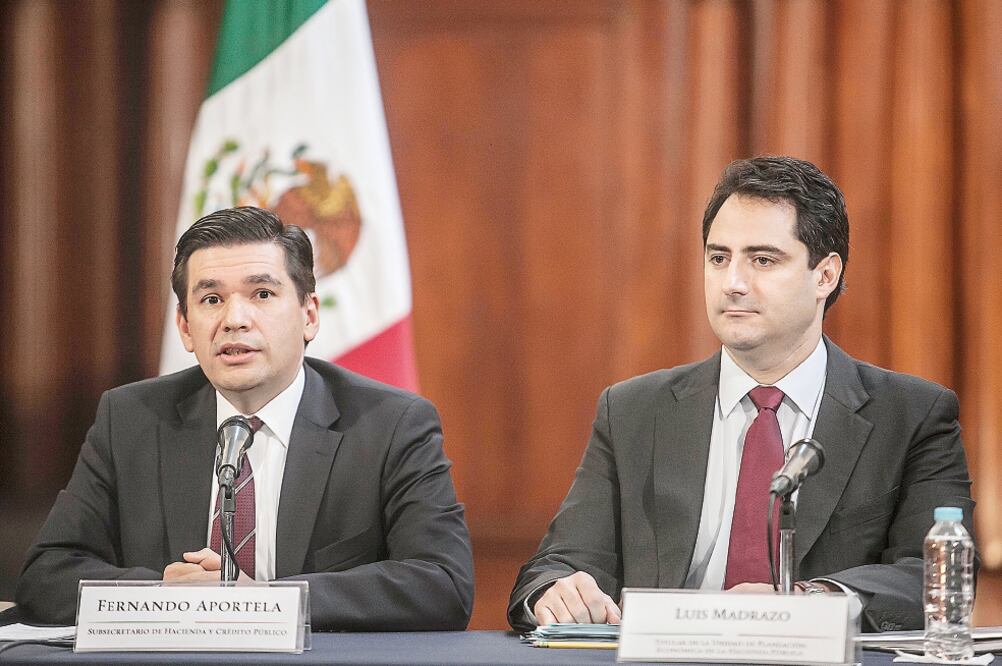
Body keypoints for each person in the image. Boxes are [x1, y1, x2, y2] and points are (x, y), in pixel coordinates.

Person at [508, 156, 975, 633]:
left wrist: (803, 599)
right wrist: (557, 590)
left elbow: (932, 577)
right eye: (718, 257)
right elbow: (559, 564)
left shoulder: (912, 415)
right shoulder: (633, 411)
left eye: (763, 260)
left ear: (825, 275)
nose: (732, 283)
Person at [16, 207, 474, 631]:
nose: (235, 319)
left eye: (262, 294)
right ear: (184, 327)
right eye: (211, 299)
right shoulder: (131, 419)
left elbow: (442, 582)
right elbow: (47, 575)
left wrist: (264, 601)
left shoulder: (390, 424)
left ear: (309, 314)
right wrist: (164, 596)